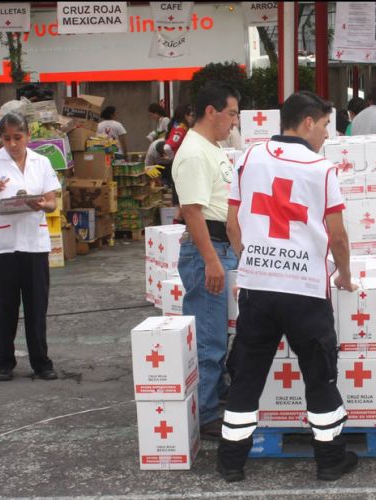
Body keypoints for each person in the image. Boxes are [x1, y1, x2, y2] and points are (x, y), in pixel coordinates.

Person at [218, 90, 358, 483]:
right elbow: (338, 236)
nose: (328, 135)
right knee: (319, 376)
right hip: (306, 293)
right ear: (308, 122)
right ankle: (330, 462)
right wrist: (344, 274)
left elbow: (232, 225)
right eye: (326, 125)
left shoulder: (247, 158)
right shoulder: (322, 169)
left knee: (246, 374)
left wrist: (254, 260)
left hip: (258, 290)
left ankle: (231, 463)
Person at [0, 112, 61, 382]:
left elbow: (52, 202)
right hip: (1, 246)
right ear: (0, 138)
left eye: (17, 138)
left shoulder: (41, 162)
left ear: (28, 137)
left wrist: (42, 205)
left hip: (33, 242)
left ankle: (41, 363)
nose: (12, 144)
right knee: (3, 306)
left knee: (36, 305)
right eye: (6, 138)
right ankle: (4, 362)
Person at [171, 83, 240, 439]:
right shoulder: (195, 152)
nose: (234, 122)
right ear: (211, 112)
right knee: (210, 336)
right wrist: (212, 261)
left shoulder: (211, 149)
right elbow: (193, 212)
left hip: (219, 247)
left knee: (219, 331)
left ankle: (217, 394)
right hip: (206, 250)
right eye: (231, 114)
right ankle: (209, 410)